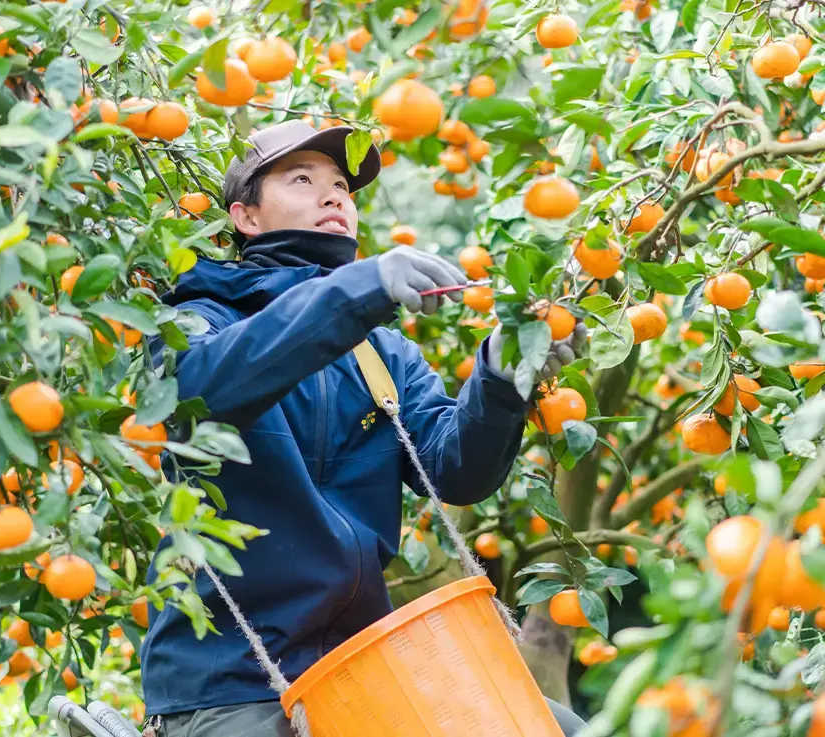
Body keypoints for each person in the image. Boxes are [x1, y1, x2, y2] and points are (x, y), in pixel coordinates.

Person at [140, 120, 588, 736]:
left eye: (343, 188)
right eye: (304, 180)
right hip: (231, 678)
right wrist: (360, 290)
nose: (335, 197)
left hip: (367, 660)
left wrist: (500, 378)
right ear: (246, 217)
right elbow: (200, 394)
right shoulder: (193, 323)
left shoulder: (382, 353)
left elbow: (456, 473)